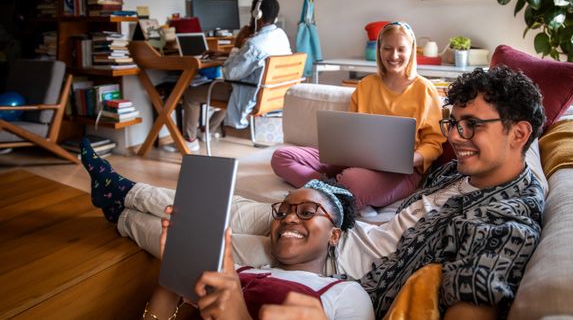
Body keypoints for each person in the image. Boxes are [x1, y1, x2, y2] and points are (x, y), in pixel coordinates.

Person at [81, 65, 546, 318]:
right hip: (348, 231)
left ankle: (119, 210)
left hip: (336, 265)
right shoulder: (468, 173)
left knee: (197, 235)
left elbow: (476, 298)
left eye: (471, 125)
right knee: (230, 204)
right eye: (453, 123)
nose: (456, 136)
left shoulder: (504, 219)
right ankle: (123, 189)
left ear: (518, 132)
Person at [138, 179, 374, 320]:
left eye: (307, 212)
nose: (289, 218)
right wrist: (172, 275)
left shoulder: (348, 295)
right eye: (282, 212)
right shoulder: (235, 271)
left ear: (334, 235)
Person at [270, 21, 445, 209]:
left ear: (411, 50)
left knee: (352, 179)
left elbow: (434, 143)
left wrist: (413, 159)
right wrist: (342, 151)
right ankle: (334, 190)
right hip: (357, 161)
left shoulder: (424, 89)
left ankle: (335, 189)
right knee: (281, 157)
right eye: (387, 48)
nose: (394, 55)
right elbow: (351, 130)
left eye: (401, 49)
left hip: (402, 172)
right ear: (379, 49)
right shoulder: (365, 85)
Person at [182, 0, 291, 151]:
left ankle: (190, 140)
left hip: (248, 93)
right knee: (223, 88)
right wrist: (225, 54)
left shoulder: (253, 44)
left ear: (256, 14)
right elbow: (256, 59)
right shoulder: (280, 36)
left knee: (191, 95)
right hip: (270, 94)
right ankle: (208, 131)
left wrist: (237, 45)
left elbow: (230, 74)